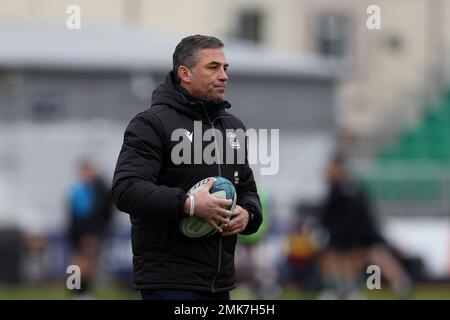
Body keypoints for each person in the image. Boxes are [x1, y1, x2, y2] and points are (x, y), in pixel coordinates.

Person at [111, 35, 263, 300]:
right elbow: (126, 190)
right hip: (169, 281)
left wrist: (248, 215)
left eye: (225, 68)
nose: (224, 75)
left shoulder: (233, 127)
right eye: (213, 67)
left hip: (220, 282)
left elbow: (247, 189)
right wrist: (189, 204)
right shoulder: (151, 124)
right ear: (185, 74)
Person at [318, 152, 412, 299]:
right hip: (357, 231)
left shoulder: (344, 187)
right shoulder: (347, 186)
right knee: (357, 258)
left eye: (330, 168)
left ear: (338, 167)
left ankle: (399, 282)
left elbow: (338, 213)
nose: (327, 171)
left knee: (370, 256)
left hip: (359, 231)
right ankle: (349, 288)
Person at [67, 159, 113, 297]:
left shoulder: (95, 188)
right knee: (80, 263)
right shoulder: (81, 190)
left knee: (89, 263)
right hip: (83, 233)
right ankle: (77, 293)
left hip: (89, 232)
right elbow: (80, 215)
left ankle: (80, 292)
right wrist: (86, 235)